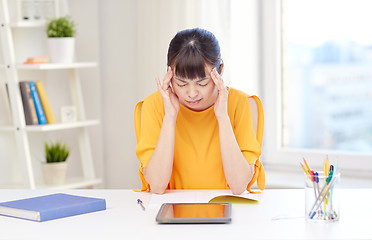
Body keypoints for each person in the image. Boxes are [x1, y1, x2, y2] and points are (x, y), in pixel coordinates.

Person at [135, 28, 263, 195]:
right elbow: (157, 186)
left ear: (220, 70)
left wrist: (223, 117)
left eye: (202, 83)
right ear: (169, 73)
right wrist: (170, 117)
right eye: (181, 83)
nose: (192, 93)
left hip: (228, 208)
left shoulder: (243, 104)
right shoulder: (153, 105)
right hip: (171, 208)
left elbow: (238, 186)